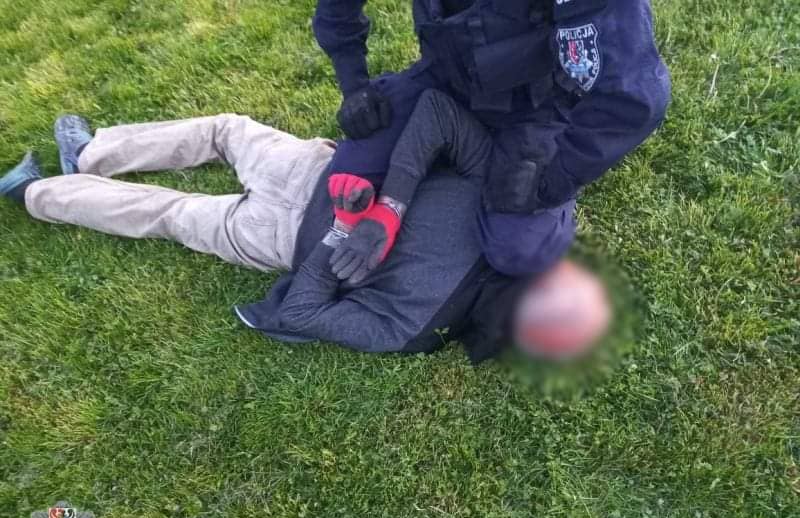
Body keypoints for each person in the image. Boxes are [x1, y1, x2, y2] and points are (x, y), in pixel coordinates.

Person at [0, 92, 607, 361]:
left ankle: (75, 164)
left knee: (208, 158)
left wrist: (352, 223)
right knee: (180, 202)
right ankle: (44, 187)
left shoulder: (498, 218)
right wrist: (381, 213)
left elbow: (301, 313)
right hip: (300, 196)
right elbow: (439, 114)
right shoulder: (418, 327)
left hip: (292, 208)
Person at [313, 0, 672, 276]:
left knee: (519, 250)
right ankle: (449, 136)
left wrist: (555, 178)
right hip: (445, 79)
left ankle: (457, 148)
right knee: (349, 172)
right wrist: (354, 85)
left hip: (537, 106)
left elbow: (635, 96)